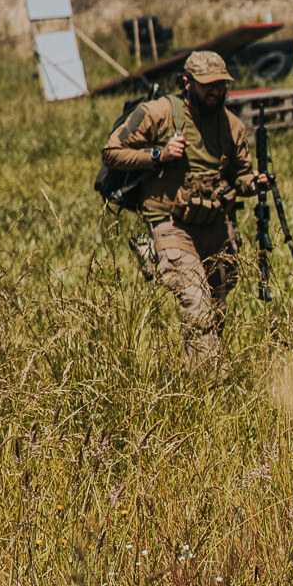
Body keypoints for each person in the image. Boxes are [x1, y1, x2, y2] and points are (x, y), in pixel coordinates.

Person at [100, 50, 266, 367]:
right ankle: (211, 382)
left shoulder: (231, 125)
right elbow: (111, 152)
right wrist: (157, 155)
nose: (216, 91)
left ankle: (199, 378)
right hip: (171, 225)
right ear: (188, 83)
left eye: (221, 84)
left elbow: (240, 174)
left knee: (216, 310)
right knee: (197, 304)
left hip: (217, 226)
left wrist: (253, 183)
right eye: (208, 85)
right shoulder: (158, 113)